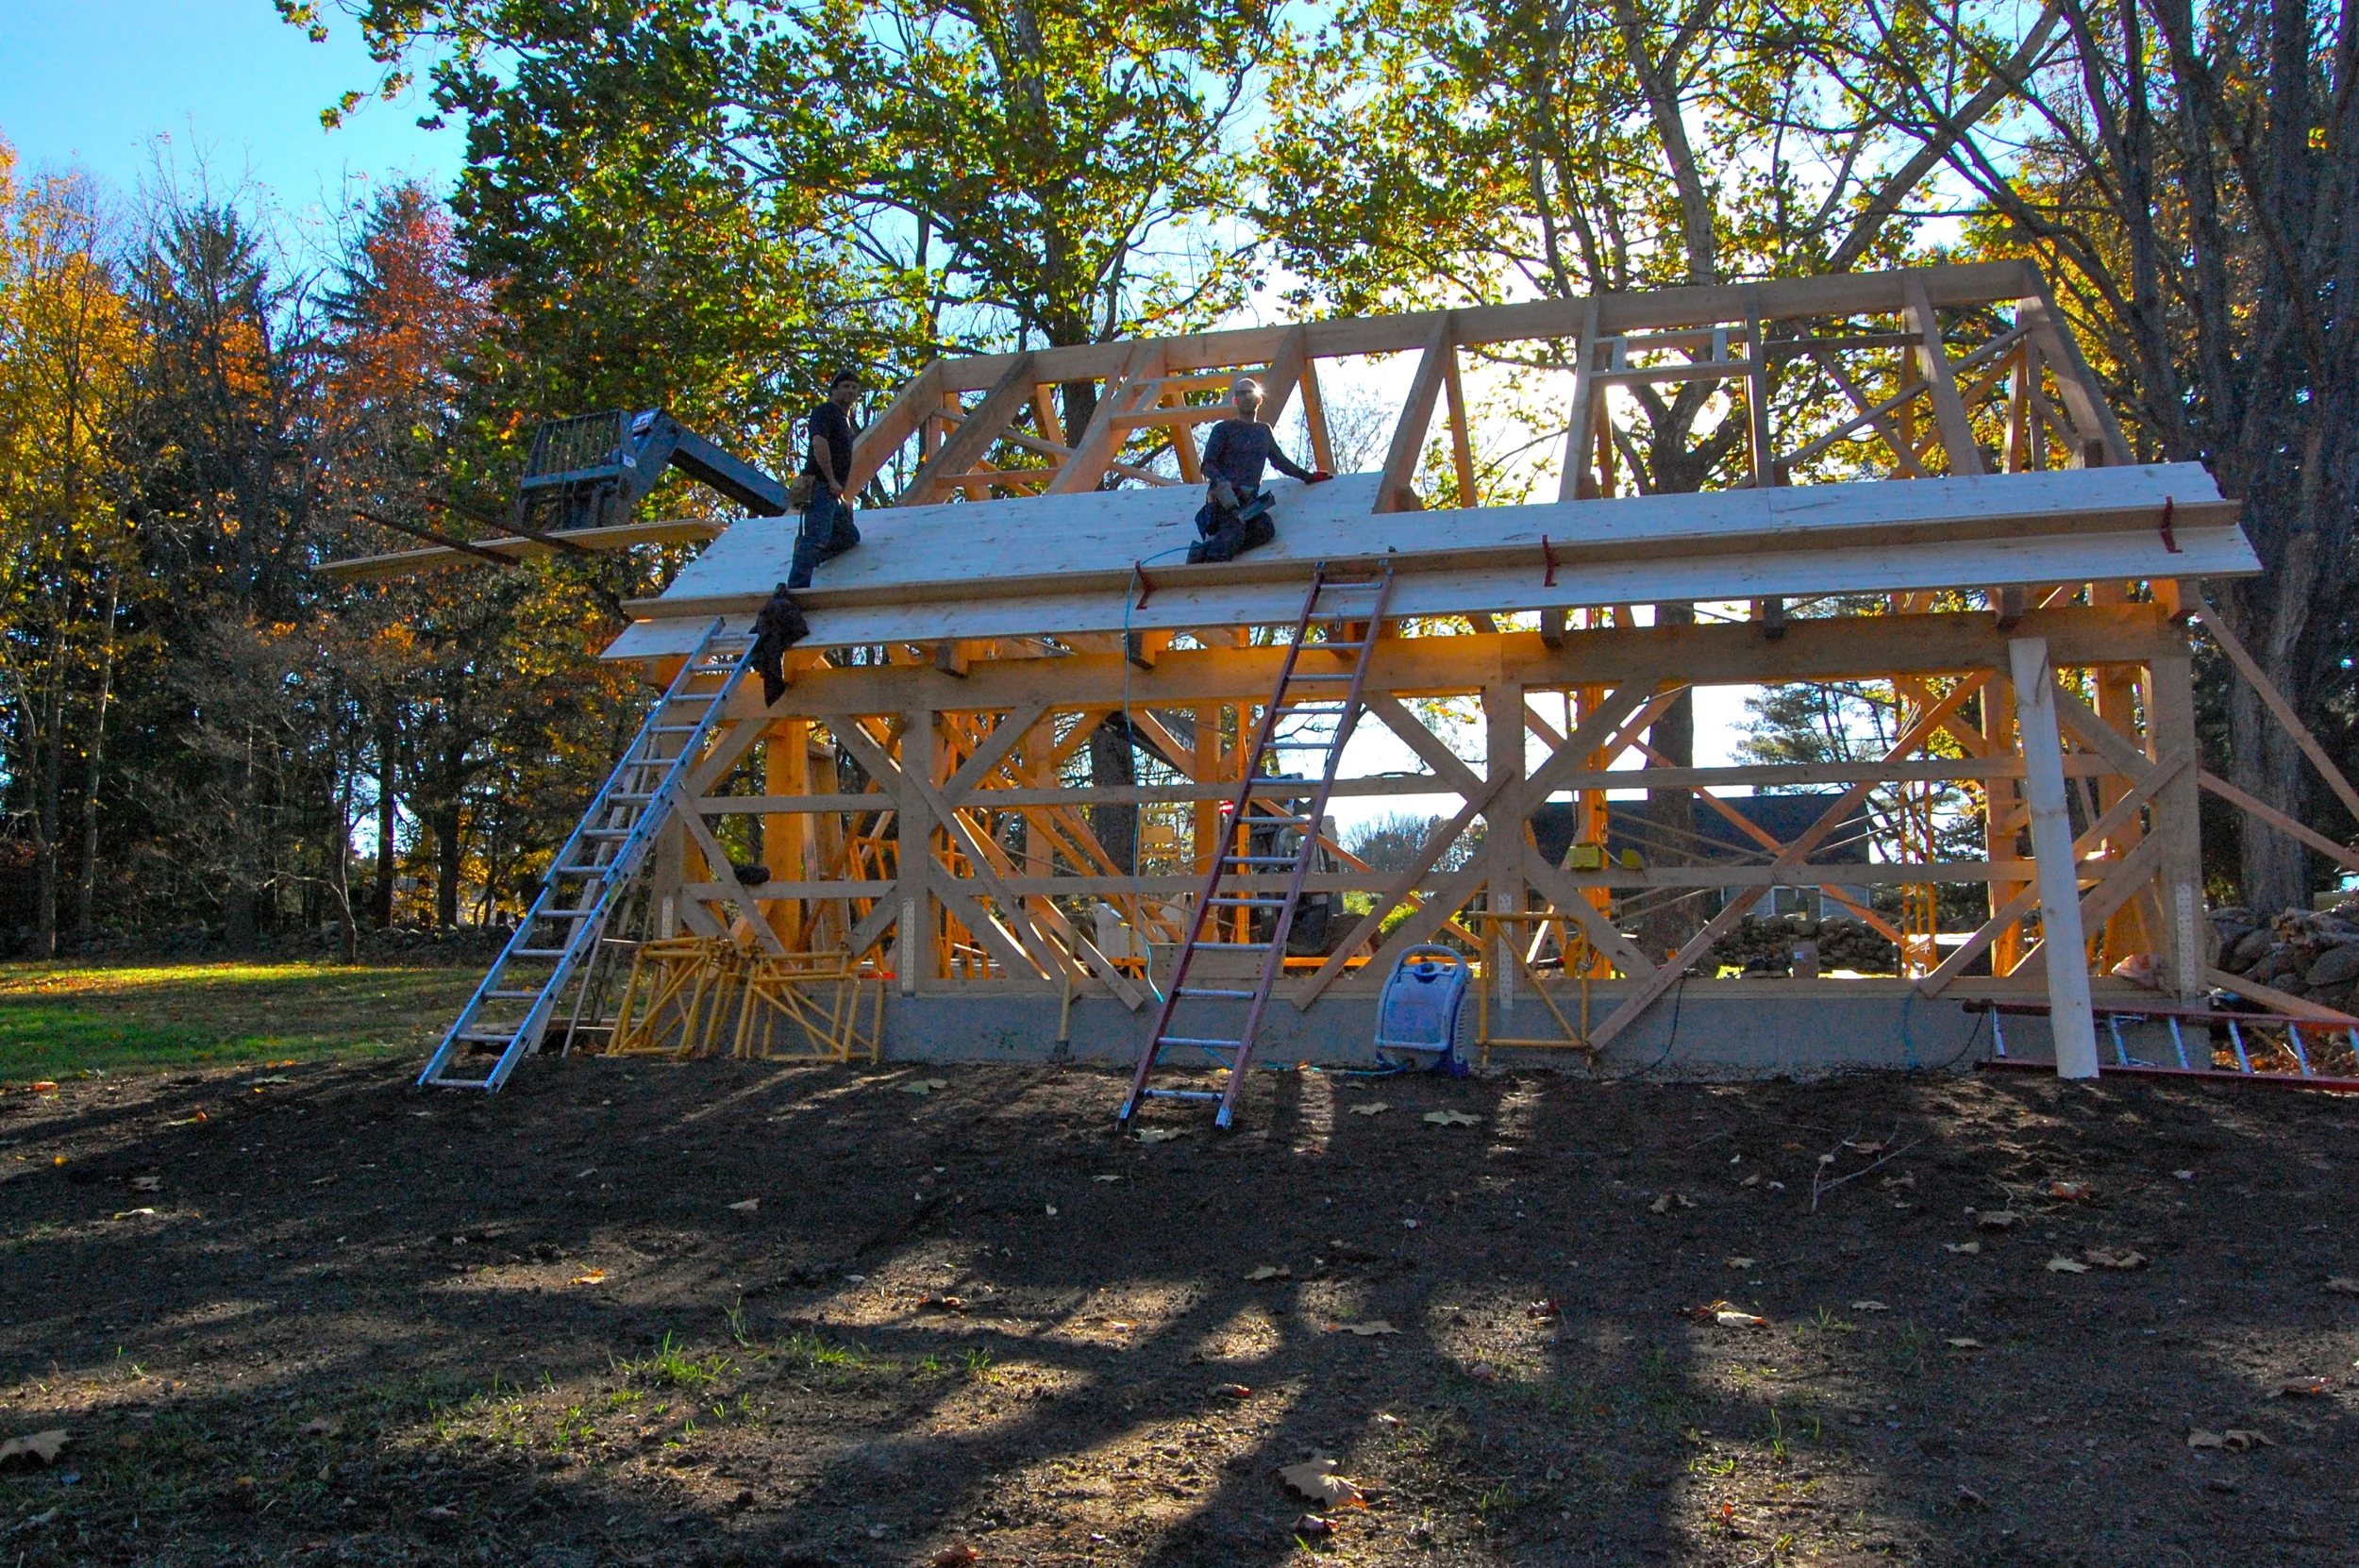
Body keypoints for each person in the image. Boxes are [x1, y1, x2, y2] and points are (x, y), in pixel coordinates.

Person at [1191, 376, 1331, 562]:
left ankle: (1205, 552)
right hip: (1223, 501)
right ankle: (1214, 562)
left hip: (1248, 502)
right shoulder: (1223, 429)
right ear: (1235, 400)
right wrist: (1227, 486)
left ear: (1259, 399)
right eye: (1241, 393)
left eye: (1250, 392)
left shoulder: (1263, 432)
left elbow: (1280, 461)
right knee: (1235, 527)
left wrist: (1309, 477)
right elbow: (1208, 464)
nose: (1246, 397)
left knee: (1265, 528)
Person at [788, 369, 865, 589]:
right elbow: (819, 444)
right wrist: (831, 480)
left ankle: (809, 561)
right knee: (816, 537)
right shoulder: (826, 411)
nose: (851, 391)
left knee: (848, 536)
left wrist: (842, 497)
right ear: (834, 390)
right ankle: (797, 587)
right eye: (846, 386)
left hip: (831, 492)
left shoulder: (843, 420)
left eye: (854, 388)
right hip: (821, 486)